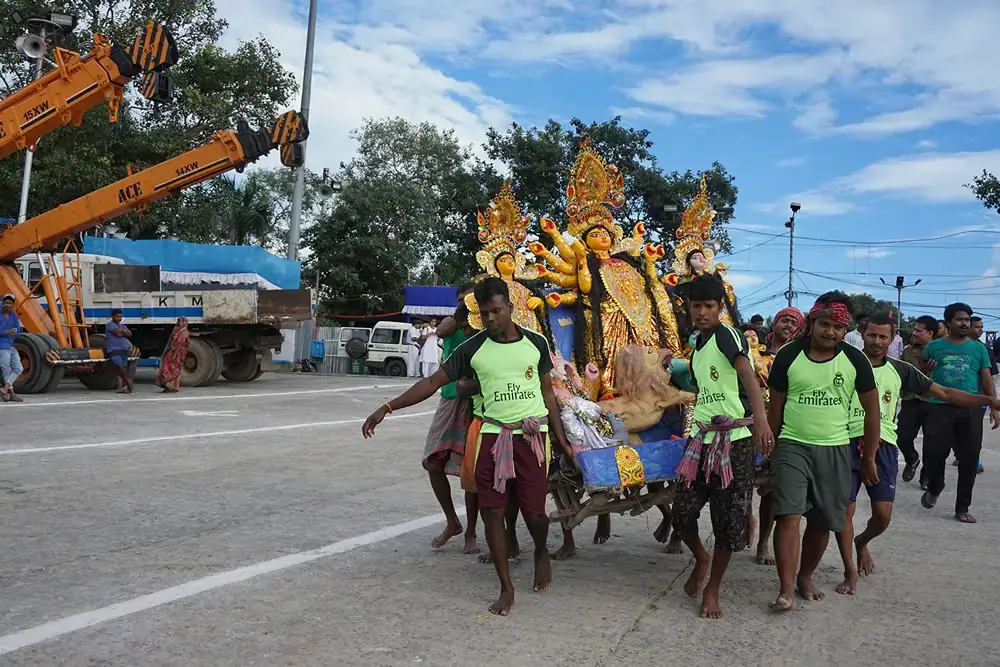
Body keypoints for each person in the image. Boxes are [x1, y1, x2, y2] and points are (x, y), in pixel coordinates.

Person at [362, 277, 571, 617]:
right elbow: (432, 382)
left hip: (533, 438)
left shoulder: (536, 343)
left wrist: (560, 438)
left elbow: (548, 393)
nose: (490, 319)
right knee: (493, 512)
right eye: (485, 313)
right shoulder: (472, 349)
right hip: (492, 437)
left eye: (496, 311)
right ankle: (506, 587)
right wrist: (387, 408)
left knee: (535, 514)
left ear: (510, 309)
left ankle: (540, 551)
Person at [834, 313, 1000, 594]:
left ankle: (862, 541)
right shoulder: (843, 363)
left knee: (883, 516)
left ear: (892, 338)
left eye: (883, 336)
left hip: (884, 444)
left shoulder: (900, 370)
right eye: (872, 335)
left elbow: (945, 392)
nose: (877, 341)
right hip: (844, 442)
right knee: (845, 511)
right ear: (862, 334)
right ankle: (850, 570)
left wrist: (989, 400)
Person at [765, 292, 879, 611]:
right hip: (791, 445)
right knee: (788, 514)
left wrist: (868, 458)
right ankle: (786, 589)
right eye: (824, 324)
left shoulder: (855, 360)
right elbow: (776, 408)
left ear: (846, 331)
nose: (830, 332)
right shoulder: (789, 355)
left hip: (836, 448)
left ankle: (805, 576)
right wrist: (771, 447)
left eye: (838, 327)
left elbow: (872, 413)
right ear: (813, 322)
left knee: (821, 521)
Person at [671, 275, 773, 619]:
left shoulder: (727, 334)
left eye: (709, 306)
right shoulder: (697, 347)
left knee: (728, 522)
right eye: (696, 305)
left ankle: (713, 589)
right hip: (701, 440)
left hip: (735, 443)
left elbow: (748, 377)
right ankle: (701, 558)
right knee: (682, 512)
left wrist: (760, 420)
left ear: (720, 308)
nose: (702, 312)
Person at [921, 303, 1000, 522]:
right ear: (948, 323)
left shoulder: (978, 348)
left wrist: (993, 406)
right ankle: (935, 486)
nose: (964, 323)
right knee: (934, 453)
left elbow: (986, 377)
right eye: (959, 319)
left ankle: (962, 508)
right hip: (939, 406)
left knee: (969, 459)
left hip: (971, 408)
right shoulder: (934, 346)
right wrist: (926, 367)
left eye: (967, 319)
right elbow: (923, 371)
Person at [421, 288, 479, 554]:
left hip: (476, 399)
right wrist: (462, 314)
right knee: (433, 461)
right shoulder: (456, 323)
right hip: (449, 395)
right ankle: (452, 521)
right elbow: (442, 331)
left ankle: (471, 531)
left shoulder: (482, 328)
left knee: (472, 471)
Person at [753, 306, 805, 566]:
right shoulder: (755, 354)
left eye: (793, 322)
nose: (787, 325)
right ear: (774, 324)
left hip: (785, 430)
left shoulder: (801, 359)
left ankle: (763, 543)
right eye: (783, 320)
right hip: (751, 425)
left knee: (772, 493)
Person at [898, 315, 937, 484]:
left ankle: (926, 476)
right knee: (902, 436)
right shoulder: (908, 351)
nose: (914, 333)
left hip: (933, 402)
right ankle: (911, 458)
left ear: (930, 333)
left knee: (932, 443)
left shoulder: (940, 351)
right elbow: (899, 371)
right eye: (914, 330)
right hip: (910, 399)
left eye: (918, 330)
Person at [155, 317, 190, 392]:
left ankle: (172, 386)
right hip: (172, 351)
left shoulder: (184, 332)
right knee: (166, 366)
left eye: (179, 322)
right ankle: (167, 385)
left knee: (173, 368)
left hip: (177, 353)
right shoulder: (177, 330)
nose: (177, 323)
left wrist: (175, 354)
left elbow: (180, 344)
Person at [0, 293, 24, 402]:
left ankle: (5, 389)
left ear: (13, 305)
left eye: (10, 303)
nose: (7, 305)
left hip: (11, 345)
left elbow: (18, 331)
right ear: (3, 303)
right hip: (2, 346)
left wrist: (10, 332)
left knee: (19, 368)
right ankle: (11, 393)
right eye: (6, 303)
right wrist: (8, 331)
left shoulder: (14, 316)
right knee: (6, 369)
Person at [105, 308, 133, 394]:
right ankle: (128, 381)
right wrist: (124, 332)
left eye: (120, 317)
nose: (119, 318)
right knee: (119, 366)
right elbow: (118, 333)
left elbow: (130, 334)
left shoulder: (122, 325)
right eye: (117, 317)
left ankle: (120, 387)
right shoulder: (110, 325)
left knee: (121, 369)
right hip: (114, 349)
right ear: (112, 317)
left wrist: (123, 332)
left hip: (123, 349)